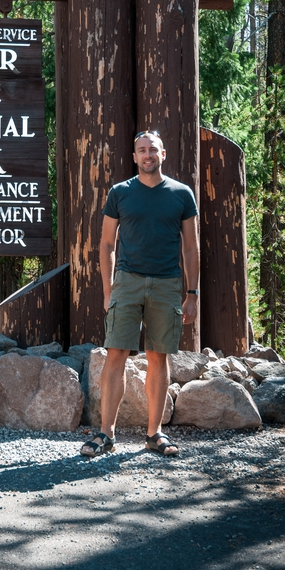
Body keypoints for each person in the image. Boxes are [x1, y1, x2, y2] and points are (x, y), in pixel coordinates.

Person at [80, 130, 199, 457]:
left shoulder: (181, 194)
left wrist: (192, 294)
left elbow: (191, 247)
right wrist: (109, 290)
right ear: (134, 157)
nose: (148, 155)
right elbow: (106, 244)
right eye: (142, 150)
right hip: (127, 283)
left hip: (167, 283)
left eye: (153, 150)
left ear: (163, 154)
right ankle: (105, 435)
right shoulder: (120, 193)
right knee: (115, 353)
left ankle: (154, 434)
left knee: (158, 357)